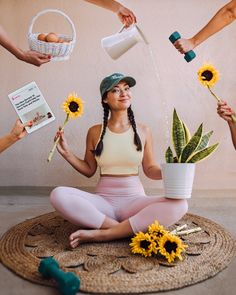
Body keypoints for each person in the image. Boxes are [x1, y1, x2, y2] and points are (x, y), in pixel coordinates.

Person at [50, 73, 188, 248]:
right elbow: (89, 170)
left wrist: (173, 170)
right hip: (103, 204)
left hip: (135, 203)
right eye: (115, 90)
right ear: (105, 100)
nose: (124, 93)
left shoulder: (144, 130)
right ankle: (121, 230)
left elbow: (150, 169)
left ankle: (104, 234)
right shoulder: (95, 132)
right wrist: (67, 153)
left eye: (126, 89)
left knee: (180, 204)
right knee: (58, 194)